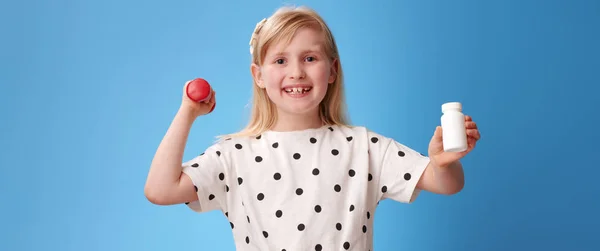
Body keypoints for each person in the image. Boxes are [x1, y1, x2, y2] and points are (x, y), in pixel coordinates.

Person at [144, 5, 481, 251]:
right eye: (280, 60)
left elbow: (446, 184)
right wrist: (187, 113)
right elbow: (160, 190)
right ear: (258, 75)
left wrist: (442, 162)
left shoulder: (363, 147)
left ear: (332, 70)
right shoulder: (234, 156)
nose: (296, 73)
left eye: (309, 58)